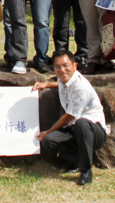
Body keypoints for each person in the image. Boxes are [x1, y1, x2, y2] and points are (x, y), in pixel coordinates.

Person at [33, 50, 109, 187]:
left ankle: (86, 171)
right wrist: (46, 84)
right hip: (74, 130)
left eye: (65, 65)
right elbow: (61, 84)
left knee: (81, 124)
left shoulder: (81, 87)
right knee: (49, 141)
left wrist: (48, 131)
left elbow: (69, 116)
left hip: (94, 131)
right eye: (57, 67)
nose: (62, 70)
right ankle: (77, 162)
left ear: (75, 66)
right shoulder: (64, 79)